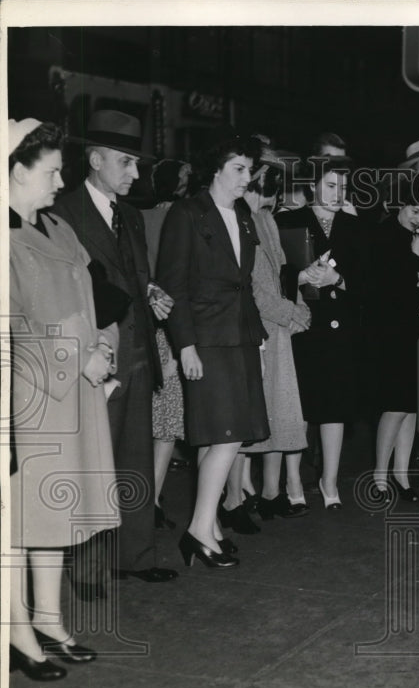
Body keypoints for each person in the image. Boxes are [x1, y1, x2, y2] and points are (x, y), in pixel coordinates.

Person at [8, 118, 117, 677]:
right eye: (50, 172)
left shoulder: (59, 227)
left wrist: (103, 345)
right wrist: (80, 357)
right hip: (32, 397)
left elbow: (93, 296)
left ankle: (48, 619)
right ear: (15, 172)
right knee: (24, 518)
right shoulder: (5, 241)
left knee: (57, 514)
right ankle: (18, 632)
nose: (59, 182)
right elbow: (15, 330)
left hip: (77, 389)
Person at [53, 109, 176, 596]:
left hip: (139, 349)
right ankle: (86, 570)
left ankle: (135, 555)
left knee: (133, 460)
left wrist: (150, 294)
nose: (135, 174)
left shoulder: (130, 216)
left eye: (137, 165)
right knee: (92, 464)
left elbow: (133, 276)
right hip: (97, 355)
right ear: (96, 158)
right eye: (126, 163)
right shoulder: (63, 213)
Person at [157, 129, 270, 569]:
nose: (247, 178)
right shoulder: (187, 213)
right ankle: (200, 530)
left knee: (219, 435)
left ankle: (211, 527)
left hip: (239, 335)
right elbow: (173, 284)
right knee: (227, 434)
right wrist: (185, 345)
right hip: (205, 337)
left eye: (249, 169)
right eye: (239, 169)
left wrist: (254, 337)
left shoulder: (242, 214)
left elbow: (244, 282)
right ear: (216, 170)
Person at [275, 156, 365, 510]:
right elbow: (273, 275)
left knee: (335, 406)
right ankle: (293, 478)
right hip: (302, 325)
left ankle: (330, 480)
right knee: (298, 406)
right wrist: (300, 277)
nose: (336, 193)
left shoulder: (355, 226)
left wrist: (338, 280)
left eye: (342, 187)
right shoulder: (288, 221)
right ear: (312, 186)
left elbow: (369, 282)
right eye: (330, 185)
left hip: (341, 329)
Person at [241, 155, 313, 518]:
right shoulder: (241, 220)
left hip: (277, 328)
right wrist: (292, 313)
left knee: (276, 412)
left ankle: (269, 492)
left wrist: (298, 308)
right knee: (250, 416)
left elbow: (284, 273)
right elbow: (255, 289)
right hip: (258, 328)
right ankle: (239, 495)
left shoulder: (265, 219)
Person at [366, 178, 419, 500]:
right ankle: (380, 475)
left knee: (411, 408)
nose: (418, 218)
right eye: (414, 210)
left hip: (414, 329)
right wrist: (415, 258)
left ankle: (402, 475)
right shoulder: (382, 235)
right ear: (401, 205)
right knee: (395, 405)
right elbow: (386, 290)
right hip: (389, 333)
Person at [142, 158, 192, 531]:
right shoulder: (184, 217)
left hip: (142, 325)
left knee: (145, 422)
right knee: (166, 423)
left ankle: (143, 502)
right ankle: (154, 500)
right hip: (170, 327)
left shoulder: (137, 217)